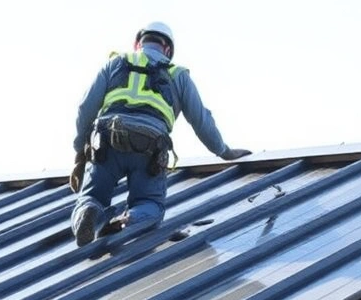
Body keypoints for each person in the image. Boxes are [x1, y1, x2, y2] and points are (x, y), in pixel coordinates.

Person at [69, 21, 251, 246]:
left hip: (106, 143)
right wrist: (223, 150)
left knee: (90, 197)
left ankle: (90, 213)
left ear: (138, 43)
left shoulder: (115, 63)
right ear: (167, 50)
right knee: (149, 204)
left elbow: (85, 108)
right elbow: (200, 119)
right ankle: (130, 219)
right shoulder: (177, 74)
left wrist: (80, 150)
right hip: (150, 146)